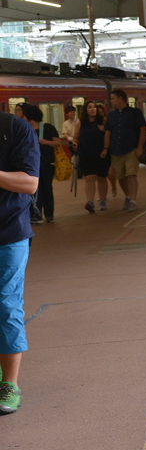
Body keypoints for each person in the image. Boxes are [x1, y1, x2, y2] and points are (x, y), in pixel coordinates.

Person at [0, 106, 40, 415]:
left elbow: (29, 183)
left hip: (8, 231)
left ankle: (10, 384)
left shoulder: (15, 129)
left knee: (6, 303)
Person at [103, 89, 146, 212]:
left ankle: (133, 200)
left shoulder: (135, 113)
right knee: (121, 176)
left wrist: (140, 147)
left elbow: (143, 129)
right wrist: (106, 148)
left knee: (131, 174)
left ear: (120, 99)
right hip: (116, 151)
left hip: (131, 149)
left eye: (113, 98)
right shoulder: (111, 116)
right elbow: (108, 133)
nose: (111, 101)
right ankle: (127, 196)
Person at [23, 105, 60, 224]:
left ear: (29, 117)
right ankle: (36, 214)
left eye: (24, 115)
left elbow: (57, 143)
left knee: (47, 188)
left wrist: (46, 142)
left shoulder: (48, 128)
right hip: (31, 165)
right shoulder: (25, 130)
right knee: (34, 190)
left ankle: (49, 214)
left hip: (47, 163)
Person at [73, 101, 110, 212]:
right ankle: (90, 202)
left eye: (94, 107)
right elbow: (76, 137)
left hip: (101, 154)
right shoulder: (81, 122)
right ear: (85, 110)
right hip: (86, 154)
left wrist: (105, 149)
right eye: (90, 107)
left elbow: (108, 135)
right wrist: (75, 144)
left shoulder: (103, 120)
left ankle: (102, 200)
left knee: (102, 178)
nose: (93, 109)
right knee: (89, 178)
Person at [96, 104, 118, 197]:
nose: (100, 114)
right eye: (98, 112)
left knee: (110, 172)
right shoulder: (92, 123)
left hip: (109, 149)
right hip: (98, 150)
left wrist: (104, 130)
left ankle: (113, 186)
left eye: (102, 112)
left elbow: (112, 134)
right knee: (100, 176)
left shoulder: (107, 121)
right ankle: (102, 195)